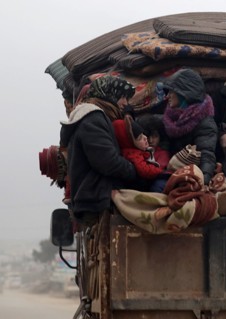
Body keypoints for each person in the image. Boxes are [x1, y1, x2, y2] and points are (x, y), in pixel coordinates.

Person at [59, 75, 137, 225]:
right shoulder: (93, 119)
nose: (125, 104)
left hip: (95, 201)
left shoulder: (94, 117)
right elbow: (108, 162)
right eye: (123, 98)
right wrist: (135, 171)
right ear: (111, 94)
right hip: (97, 202)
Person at [160, 68, 218, 185]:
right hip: (172, 171)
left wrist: (202, 182)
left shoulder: (204, 124)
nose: (168, 96)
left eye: (172, 91)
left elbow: (207, 156)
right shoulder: (171, 117)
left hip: (191, 177)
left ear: (185, 94)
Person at [112, 115, 169, 192]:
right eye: (148, 136)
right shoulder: (136, 153)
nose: (150, 140)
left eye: (155, 136)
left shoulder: (163, 153)